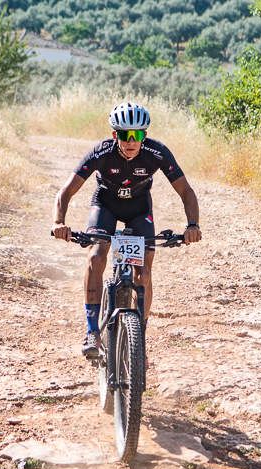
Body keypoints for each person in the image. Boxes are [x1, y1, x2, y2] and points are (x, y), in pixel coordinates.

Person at [51, 101, 202, 358]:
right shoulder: (101, 153)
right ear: (115, 135)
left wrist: (193, 225)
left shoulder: (157, 153)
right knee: (96, 256)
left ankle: (138, 336)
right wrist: (58, 222)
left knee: (143, 268)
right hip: (105, 205)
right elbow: (66, 191)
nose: (132, 141)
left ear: (145, 135)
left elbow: (186, 190)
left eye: (138, 135)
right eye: (125, 135)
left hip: (139, 210)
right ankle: (92, 332)